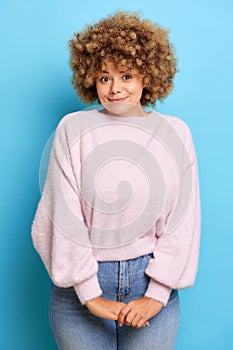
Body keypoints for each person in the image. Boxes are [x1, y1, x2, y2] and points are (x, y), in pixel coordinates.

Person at [31, 11, 201, 350]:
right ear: (89, 77)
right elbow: (61, 215)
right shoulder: (72, 129)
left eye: (126, 75)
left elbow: (185, 221)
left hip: (149, 282)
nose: (115, 88)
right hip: (80, 287)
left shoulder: (175, 133)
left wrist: (158, 294)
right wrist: (89, 294)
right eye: (104, 77)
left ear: (147, 77)